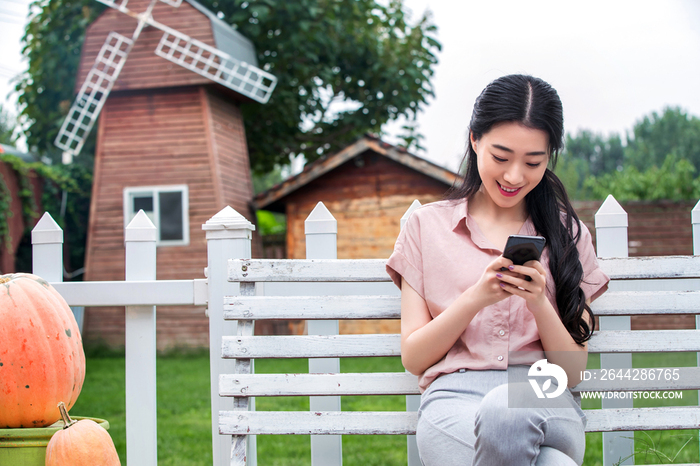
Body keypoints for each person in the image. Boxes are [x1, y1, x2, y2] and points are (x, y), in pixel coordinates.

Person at [386, 74, 609, 466]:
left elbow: (572, 373)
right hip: (453, 401)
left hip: (541, 394)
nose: (514, 176)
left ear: (550, 157)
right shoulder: (425, 228)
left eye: (533, 162)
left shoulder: (567, 234)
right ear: (475, 140)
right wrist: (476, 298)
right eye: (501, 157)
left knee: (505, 410)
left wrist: (539, 302)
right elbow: (415, 358)